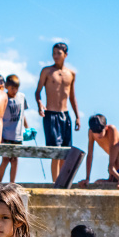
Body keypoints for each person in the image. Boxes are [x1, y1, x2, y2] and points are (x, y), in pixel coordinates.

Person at [35, 42, 80, 181]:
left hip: (65, 115)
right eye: (54, 53)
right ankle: (55, 182)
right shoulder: (47, 71)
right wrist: (39, 103)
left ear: (65, 55)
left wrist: (77, 116)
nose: (55, 56)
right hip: (51, 115)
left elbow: (72, 96)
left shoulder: (71, 74)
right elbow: (37, 91)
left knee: (66, 152)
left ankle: (62, 182)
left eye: (58, 53)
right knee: (55, 151)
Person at [0, 74, 29, 184]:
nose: (14, 91)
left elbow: (22, 114)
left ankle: (12, 183)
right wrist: (0, 136)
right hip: (6, 134)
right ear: (7, 87)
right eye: (12, 88)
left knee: (15, 160)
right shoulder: (3, 98)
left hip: (17, 135)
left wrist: (27, 128)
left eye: (16, 88)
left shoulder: (21, 97)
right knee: (5, 159)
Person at [78, 114, 119, 188]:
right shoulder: (91, 132)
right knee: (97, 182)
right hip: (113, 164)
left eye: (100, 131)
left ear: (106, 127)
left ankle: (111, 178)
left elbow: (113, 152)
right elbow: (90, 155)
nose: (99, 135)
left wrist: (110, 178)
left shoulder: (111, 130)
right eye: (96, 132)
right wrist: (87, 178)